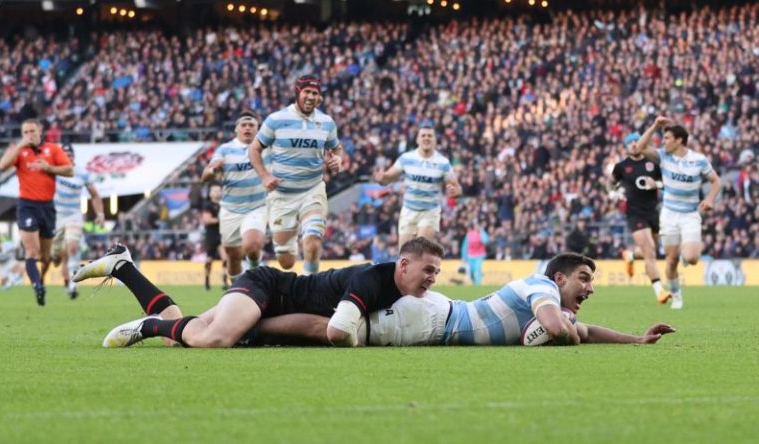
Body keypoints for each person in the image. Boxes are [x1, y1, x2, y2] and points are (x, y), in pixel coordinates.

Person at [74, 237, 444, 348]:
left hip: (272, 303)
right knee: (217, 340)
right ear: (403, 264)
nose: (432, 279)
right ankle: (149, 327)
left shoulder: (403, 293)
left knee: (184, 339)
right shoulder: (371, 279)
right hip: (267, 289)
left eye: (437, 273)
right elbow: (335, 331)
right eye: (427, 269)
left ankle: (123, 267)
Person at [258, 253, 675, 347]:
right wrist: (566, 334)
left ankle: (252, 326)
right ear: (560, 277)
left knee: (341, 328)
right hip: (432, 320)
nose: (591, 288)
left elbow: (579, 328)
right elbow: (556, 328)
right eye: (584, 279)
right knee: (341, 331)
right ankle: (253, 329)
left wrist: (635, 340)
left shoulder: (548, 299)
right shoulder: (541, 287)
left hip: (438, 317)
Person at [248, 75, 343, 275]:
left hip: (312, 191)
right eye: (307, 92)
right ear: (297, 93)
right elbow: (254, 149)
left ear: (319, 98)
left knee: (313, 244)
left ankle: (311, 292)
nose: (310, 96)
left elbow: (337, 148)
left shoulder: (326, 122)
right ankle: (290, 245)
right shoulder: (276, 120)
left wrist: (338, 160)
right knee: (286, 262)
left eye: (315, 93)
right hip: (282, 196)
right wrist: (265, 176)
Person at [637, 117, 721, 309]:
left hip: (690, 214)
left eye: (666, 138)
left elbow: (715, 181)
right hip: (669, 215)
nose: (663, 141)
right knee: (672, 260)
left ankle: (686, 253)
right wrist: (654, 126)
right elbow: (640, 147)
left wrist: (709, 199)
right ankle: (676, 295)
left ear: (679, 140)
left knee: (691, 258)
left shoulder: (698, 160)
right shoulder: (664, 156)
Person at [0, 119, 73, 306]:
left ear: (40, 131)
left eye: (32, 130)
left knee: (45, 256)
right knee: (32, 251)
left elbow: (69, 170)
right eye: (25, 132)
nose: (29, 134)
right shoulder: (19, 151)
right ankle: (37, 286)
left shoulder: (53, 149)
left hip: (47, 207)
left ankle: (41, 279)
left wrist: (49, 168)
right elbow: (2, 166)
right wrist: (20, 145)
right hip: (26, 205)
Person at [201, 111, 268, 284]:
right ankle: (238, 288)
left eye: (251, 125)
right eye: (244, 125)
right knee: (233, 257)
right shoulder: (224, 149)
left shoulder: (266, 148)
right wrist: (213, 170)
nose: (247, 128)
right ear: (236, 129)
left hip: (257, 206)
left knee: (252, 246)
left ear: (257, 129)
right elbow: (205, 175)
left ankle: (255, 283)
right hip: (231, 210)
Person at [374, 122, 462, 248]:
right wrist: (381, 179)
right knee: (404, 255)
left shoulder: (442, 163)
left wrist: (455, 192)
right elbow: (388, 178)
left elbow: (457, 187)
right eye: (423, 135)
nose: (426, 138)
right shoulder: (406, 158)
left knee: (420, 251)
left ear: (435, 140)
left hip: (429, 211)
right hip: (408, 211)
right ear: (417, 139)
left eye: (430, 136)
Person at [607, 132, 671, 303]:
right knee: (650, 251)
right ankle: (659, 292)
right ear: (626, 146)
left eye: (637, 141)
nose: (634, 144)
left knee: (651, 251)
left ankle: (630, 256)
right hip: (634, 214)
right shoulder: (621, 166)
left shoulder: (653, 164)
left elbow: (666, 184)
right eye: (631, 142)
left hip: (652, 212)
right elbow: (610, 183)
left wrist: (656, 184)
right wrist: (613, 193)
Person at [41, 144, 104, 299]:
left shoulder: (82, 173)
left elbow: (95, 195)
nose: (67, 158)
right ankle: (40, 280)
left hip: (74, 216)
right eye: (65, 155)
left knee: (73, 248)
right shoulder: (53, 170)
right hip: (55, 217)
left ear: (74, 157)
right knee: (53, 257)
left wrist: (100, 214)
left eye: (70, 155)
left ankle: (72, 285)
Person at [200, 184, 228, 291]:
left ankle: (224, 282)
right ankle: (207, 281)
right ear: (210, 193)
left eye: (218, 190)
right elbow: (206, 220)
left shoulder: (224, 205)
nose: (217, 192)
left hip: (222, 235)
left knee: (225, 259)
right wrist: (220, 220)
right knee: (209, 260)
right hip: (211, 236)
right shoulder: (208, 205)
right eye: (214, 191)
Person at [460, 221, 489, 286]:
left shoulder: (482, 234)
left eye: (478, 225)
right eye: (476, 225)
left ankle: (477, 285)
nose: (477, 227)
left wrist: (482, 231)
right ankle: (474, 283)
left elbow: (485, 241)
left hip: (479, 255)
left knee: (477, 270)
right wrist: (463, 257)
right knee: (471, 271)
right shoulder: (469, 234)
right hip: (470, 256)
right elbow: (465, 246)